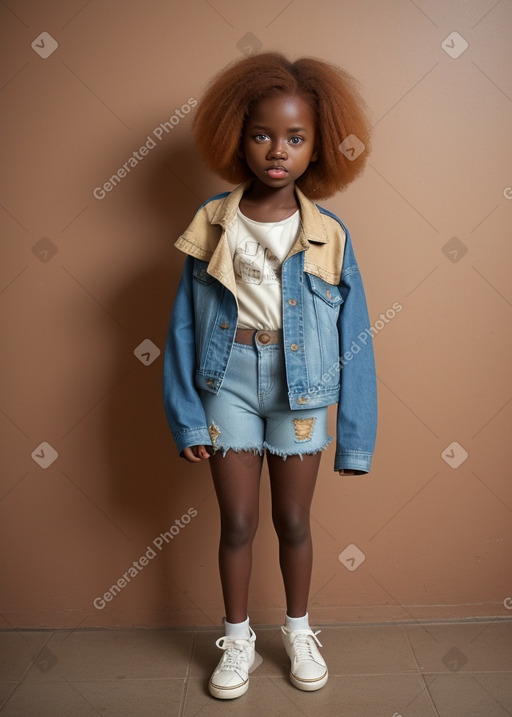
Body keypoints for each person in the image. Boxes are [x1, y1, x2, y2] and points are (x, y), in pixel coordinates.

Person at [163, 52, 377, 700]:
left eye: (295, 137)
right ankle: (236, 639)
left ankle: (299, 629)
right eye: (261, 134)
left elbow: (357, 340)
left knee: (293, 519)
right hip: (226, 380)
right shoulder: (212, 222)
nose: (276, 150)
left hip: (303, 389)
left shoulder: (330, 235)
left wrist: (357, 438)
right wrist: (186, 414)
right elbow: (180, 326)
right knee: (237, 520)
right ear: (239, 137)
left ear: (318, 147)